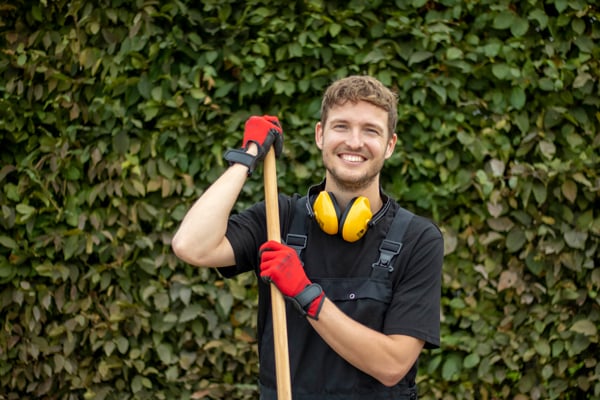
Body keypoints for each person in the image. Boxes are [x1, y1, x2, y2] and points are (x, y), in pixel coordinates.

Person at [172, 75, 444, 399]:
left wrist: (306, 295)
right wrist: (246, 158)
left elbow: (392, 365)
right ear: (320, 135)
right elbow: (191, 245)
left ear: (390, 145)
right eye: (341, 126)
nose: (354, 142)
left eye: (370, 130)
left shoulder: (418, 239)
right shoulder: (278, 219)